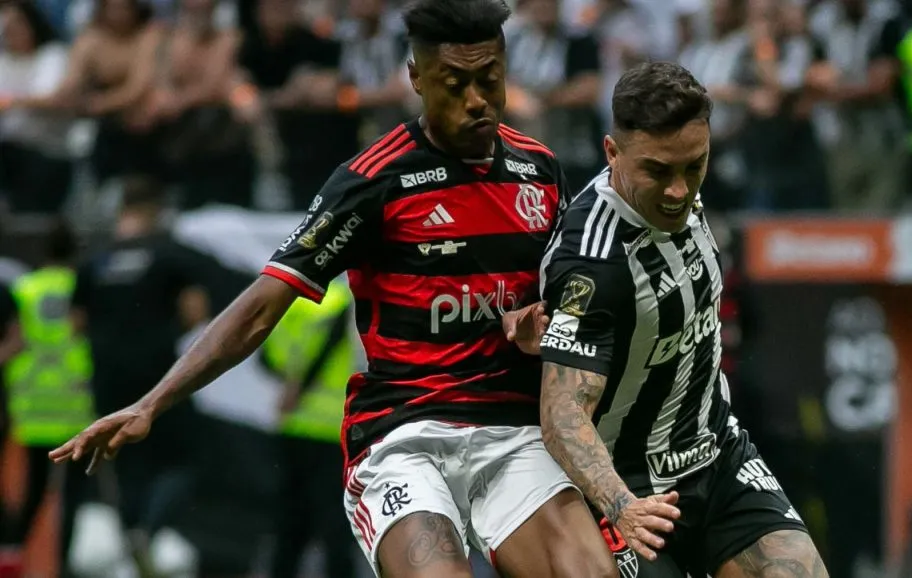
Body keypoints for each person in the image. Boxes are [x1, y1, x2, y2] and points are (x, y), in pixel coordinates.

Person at [50, 1, 618, 577]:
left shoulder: (539, 170)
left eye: (490, 80)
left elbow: (571, 303)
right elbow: (257, 310)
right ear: (417, 78)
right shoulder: (372, 181)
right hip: (407, 435)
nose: (478, 100)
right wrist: (152, 403)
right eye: (456, 83)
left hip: (513, 433)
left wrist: (545, 323)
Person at [537, 61, 829, 578]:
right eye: (657, 171)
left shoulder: (685, 189)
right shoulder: (592, 262)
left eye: (694, 166)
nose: (678, 190)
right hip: (630, 489)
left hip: (717, 454)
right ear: (613, 152)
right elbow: (561, 413)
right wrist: (620, 503)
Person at [69, 175, 213, 576]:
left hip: (109, 377)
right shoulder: (170, 255)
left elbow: (76, 324)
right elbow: (196, 314)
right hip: (158, 380)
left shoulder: (95, 260)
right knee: (182, 460)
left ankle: (132, 534)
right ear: (155, 210)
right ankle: (149, 528)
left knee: (123, 463)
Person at [3, 220, 93, 577]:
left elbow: (16, 340)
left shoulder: (24, 288)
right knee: (72, 493)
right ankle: (65, 566)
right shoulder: (81, 286)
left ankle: (14, 558)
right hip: (76, 404)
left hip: (33, 403)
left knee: (33, 491)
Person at [260, 278, 358, 578]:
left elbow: (264, 356)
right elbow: (331, 345)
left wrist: (290, 385)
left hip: (293, 425)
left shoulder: (289, 301)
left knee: (290, 521)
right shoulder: (340, 301)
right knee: (335, 524)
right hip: (332, 426)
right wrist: (301, 387)